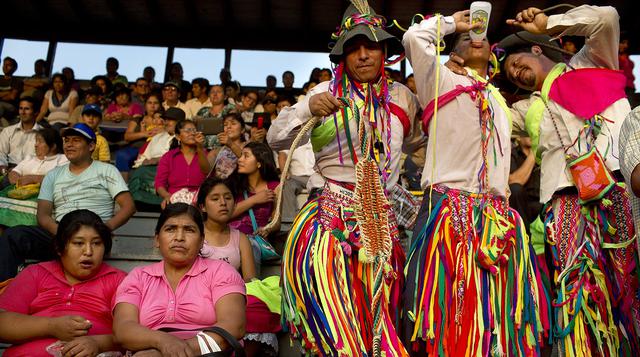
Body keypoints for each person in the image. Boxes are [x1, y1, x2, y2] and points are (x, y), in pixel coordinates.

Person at [267, 2, 421, 354]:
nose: (363, 56)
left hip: (382, 225)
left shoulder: (404, 99)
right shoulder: (324, 94)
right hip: (329, 224)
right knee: (338, 327)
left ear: (385, 52)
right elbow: (275, 138)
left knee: (380, 320)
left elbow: (419, 142)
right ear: (342, 56)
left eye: (371, 47)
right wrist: (308, 108)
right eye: (353, 48)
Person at [402, 9, 548, 355]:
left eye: (481, 36)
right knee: (437, 316)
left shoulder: (500, 101)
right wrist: (455, 23)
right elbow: (413, 39)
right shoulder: (438, 80)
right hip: (445, 216)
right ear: (453, 53)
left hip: (496, 222)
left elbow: (549, 100)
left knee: (496, 319)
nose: (476, 37)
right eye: (467, 39)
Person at [500, 5, 640, 354]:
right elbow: (483, 116)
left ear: (535, 49)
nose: (515, 72)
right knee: (577, 299)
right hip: (564, 205)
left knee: (628, 287)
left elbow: (607, 17)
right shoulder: (525, 108)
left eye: (516, 62)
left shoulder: (592, 61)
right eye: (510, 75)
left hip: (618, 188)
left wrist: (548, 24)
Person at [0, 123, 136, 281]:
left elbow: (129, 207)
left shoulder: (107, 170)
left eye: (76, 140)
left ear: (91, 146)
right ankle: (4, 293)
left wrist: (106, 229)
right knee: (13, 236)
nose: (69, 144)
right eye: (66, 140)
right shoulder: (53, 175)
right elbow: (43, 215)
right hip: (61, 233)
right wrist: (62, 234)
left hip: (94, 234)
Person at [112, 203, 246, 355]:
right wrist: (162, 341)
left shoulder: (221, 271)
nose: (179, 237)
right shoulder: (138, 277)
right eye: (170, 229)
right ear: (157, 239)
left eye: (189, 230)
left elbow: (234, 327)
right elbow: (123, 329)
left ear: (202, 240)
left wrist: (168, 353)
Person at [0, 209, 126, 357]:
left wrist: (98, 343)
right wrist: (51, 326)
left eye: (97, 243)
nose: (88, 251)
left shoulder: (119, 280)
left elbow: (133, 332)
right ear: (59, 248)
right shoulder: (36, 273)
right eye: (78, 243)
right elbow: (3, 323)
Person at [196, 177, 282, 356]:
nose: (223, 203)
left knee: (256, 306)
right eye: (215, 198)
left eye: (228, 198)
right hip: (200, 294)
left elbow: (249, 279)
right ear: (203, 206)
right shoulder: (195, 235)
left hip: (231, 296)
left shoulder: (241, 238)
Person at [0, 128, 67, 229]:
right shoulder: (29, 158)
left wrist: (33, 179)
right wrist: (19, 182)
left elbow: (61, 177)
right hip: (18, 194)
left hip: (42, 201)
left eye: (40, 142)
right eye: (36, 141)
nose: (36, 145)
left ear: (53, 146)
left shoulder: (63, 159)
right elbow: (14, 173)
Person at [155, 119, 210, 208]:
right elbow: (159, 184)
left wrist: (199, 148)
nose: (192, 133)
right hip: (175, 200)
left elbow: (208, 172)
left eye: (194, 131)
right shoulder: (169, 157)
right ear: (178, 136)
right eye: (188, 131)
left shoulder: (205, 154)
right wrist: (167, 196)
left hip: (199, 200)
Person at [115, 93, 163, 181]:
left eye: (155, 103)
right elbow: (127, 136)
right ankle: (122, 186)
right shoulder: (138, 119)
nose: (152, 106)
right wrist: (144, 134)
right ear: (145, 106)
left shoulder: (163, 120)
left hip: (156, 150)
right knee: (121, 155)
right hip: (136, 148)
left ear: (160, 105)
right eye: (149, 103)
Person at [0, 97, 44, 172]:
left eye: (27, 109)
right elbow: (1, 153)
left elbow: (43, 158)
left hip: (31, 170)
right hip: (8, 169)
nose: (23, 112)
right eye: (21, 108)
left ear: (36, 112)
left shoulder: (43, 133)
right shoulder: (7, 131)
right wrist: (3, 168)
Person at [209, 112, 246, 180]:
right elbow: (206, 171)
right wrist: (199, 147)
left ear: (243, 130)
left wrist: (231, 144)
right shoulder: (217, 151)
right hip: (220, 187)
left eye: (233, 123)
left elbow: (247, 161)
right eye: (225, 124)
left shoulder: (249, 146)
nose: (228, 127)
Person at [0, 56, 23, 126]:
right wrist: (7, 92)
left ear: (14, 68)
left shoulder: (16, 81)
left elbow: (12, 96)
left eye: (8, 65)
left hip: (10, 106)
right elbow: (9, 94)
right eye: (4, 64)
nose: (5, 67)